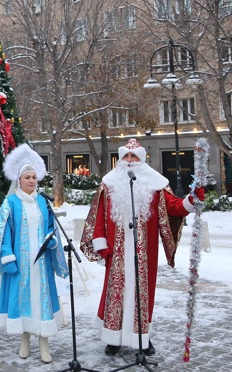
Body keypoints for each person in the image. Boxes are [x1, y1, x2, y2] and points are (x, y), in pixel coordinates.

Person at [80, 139, 205, 356]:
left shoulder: (156, 184)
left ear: (142, 159)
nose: (130, 161)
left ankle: (141, 338)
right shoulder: (109, 184)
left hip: (144, 253)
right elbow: (98, 217)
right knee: (116, 293)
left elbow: (174, 207)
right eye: (126, 157)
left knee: (141, 294)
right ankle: (113, 338)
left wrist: (191, 200)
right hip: (116, 252)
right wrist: (102, 247)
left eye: (134, 156)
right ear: (120, 160)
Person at [0, 144, 69, 363]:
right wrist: (7, 256)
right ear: (18, 180)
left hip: (41, 263)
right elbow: (2, 233)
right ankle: (24, 338)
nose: (31, 181)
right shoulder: (10, 203)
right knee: (23, 300)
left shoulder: (44, 202)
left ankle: (44, 342)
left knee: (41, 299)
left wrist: (52, 241)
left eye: (34, 177)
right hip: (21, 263)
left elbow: (52, 227)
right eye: (27, 177)